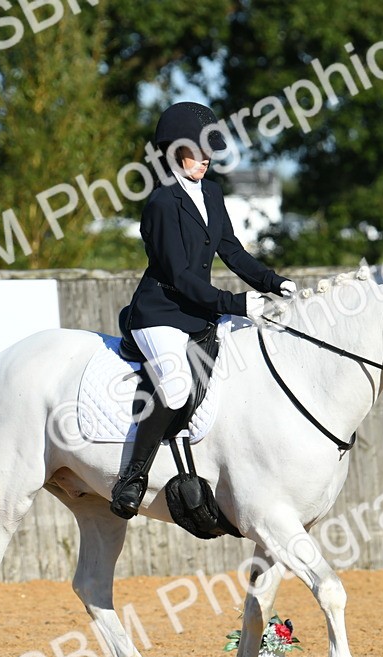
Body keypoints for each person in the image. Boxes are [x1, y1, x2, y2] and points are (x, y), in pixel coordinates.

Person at [109, 102, 296, 519]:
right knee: (176, 388)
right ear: (175, 151)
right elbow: (180, 276)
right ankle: (133, 479)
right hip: (160, 312)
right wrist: (235, 303)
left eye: (210, 150)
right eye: (198, 151)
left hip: (199, 310)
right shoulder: (160, 204)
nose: (207, 158)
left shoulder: (210, 191)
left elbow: (230, 249)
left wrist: (271, 281)